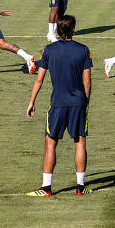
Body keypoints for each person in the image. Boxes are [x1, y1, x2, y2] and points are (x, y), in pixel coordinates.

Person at [26, 15, 92, 196]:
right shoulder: (83, 50)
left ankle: (46, 187)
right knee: (80, 142)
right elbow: (87, 82)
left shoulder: (49, 50)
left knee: (50, 143)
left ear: (57, 30)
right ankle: (80, 187)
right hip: (78, 103)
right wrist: (85, 102)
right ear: (72, 30)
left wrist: (32, 102)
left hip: (58, 104)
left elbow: (39, 79)